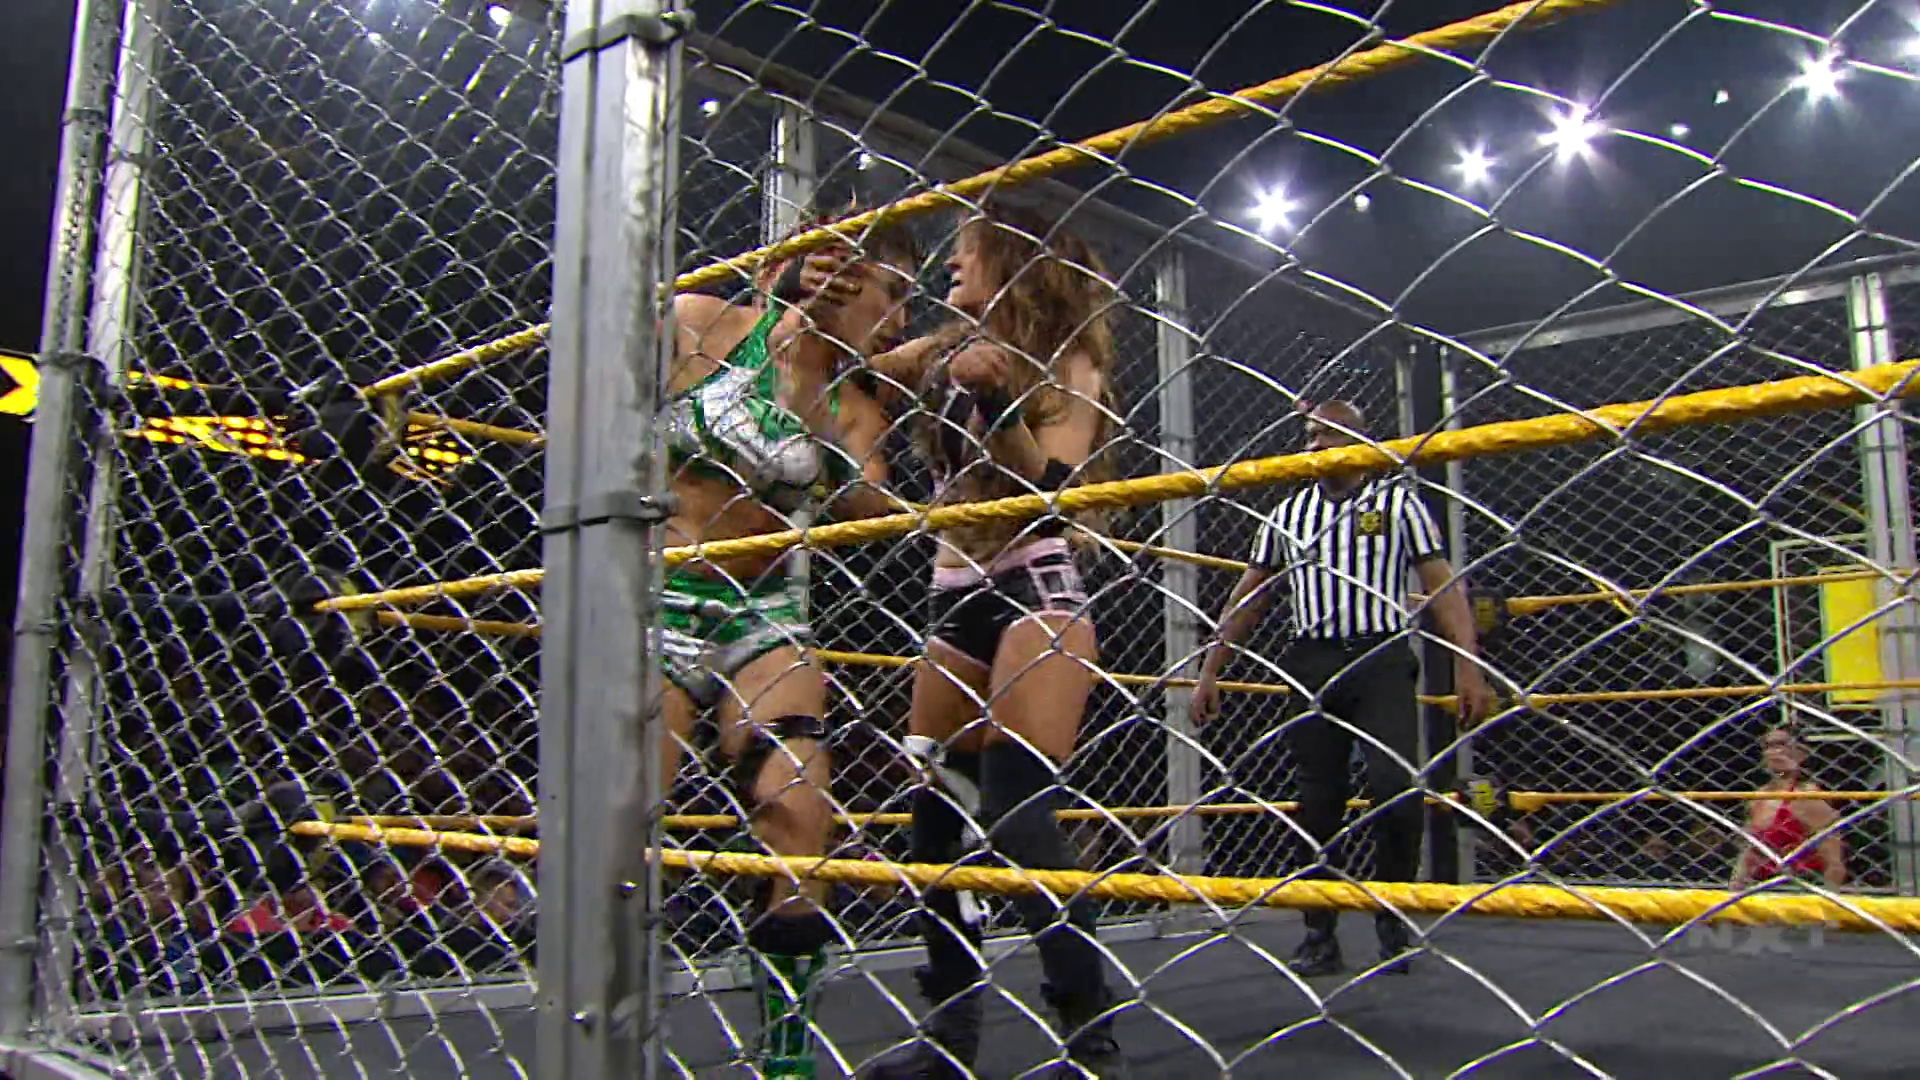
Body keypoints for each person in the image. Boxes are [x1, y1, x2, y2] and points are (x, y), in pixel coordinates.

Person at [835, 201, 1131, 1079]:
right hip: (953, 594)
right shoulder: (941, 347)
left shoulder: (1068, 357)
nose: (950, 268)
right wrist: (819, 294)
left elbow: (1046, 490)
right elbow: (848, 369)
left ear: (1009, 260)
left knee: (1014, 810)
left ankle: (1090, 1032)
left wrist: (998, 399)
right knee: (933, 812)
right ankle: (950, 1035)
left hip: (1035, 587)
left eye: (966, 253)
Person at [661, 214, 919, 1076]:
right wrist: (784, 305)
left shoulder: (858, 402)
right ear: (829, 270)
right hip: (654, 597)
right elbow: (584, 379)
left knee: (800, 810)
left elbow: (872, 506)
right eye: (892, 294)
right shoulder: (702, 323)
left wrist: (810, 373)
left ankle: (787, 1055)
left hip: (765, 611)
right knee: (620, 820)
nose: (899, 321)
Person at [1190, 399, 1495, 977]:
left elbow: (1442, 587)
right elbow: (1249, 597)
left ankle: (1393, 916)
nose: (1316, 444)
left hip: (1380, 657)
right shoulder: (1286, 514)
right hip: (1311, 662)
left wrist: (1467, 665)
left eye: (1330, 434)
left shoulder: (1398, 505)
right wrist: (1211, 666)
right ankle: (1318, 932)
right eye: (1310, 435)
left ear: (1360, 442)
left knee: (1395, 787)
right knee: (1317, 801)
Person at [1728, 727, 1847, 890]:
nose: (1774, 752)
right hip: (1762, 887)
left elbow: (1833, 861)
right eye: (1768, 746)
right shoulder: (1759, 798)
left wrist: (1828, 899)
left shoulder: (1809, 796)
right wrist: (1735, 887)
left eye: (1782, 745)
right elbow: (1748, 853)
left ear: (1801, 753)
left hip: (1802, 887)